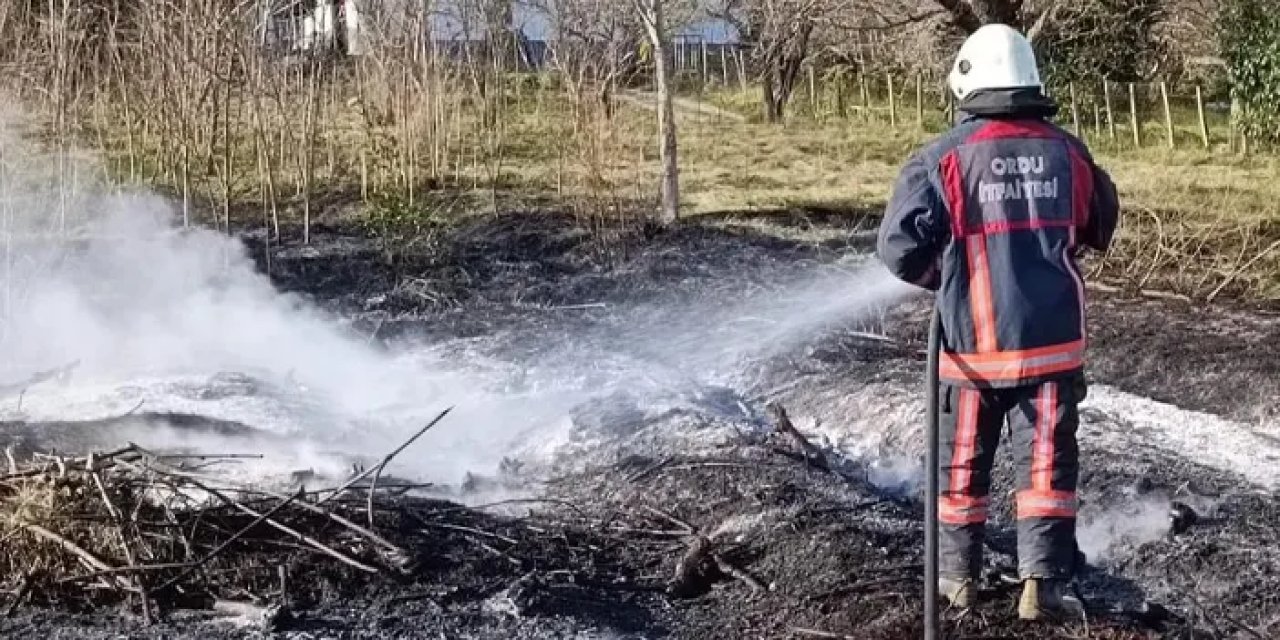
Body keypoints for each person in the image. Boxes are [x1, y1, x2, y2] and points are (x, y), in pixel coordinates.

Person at [876, 24, 1120, 621]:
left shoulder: (943, 159)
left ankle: (957, 580)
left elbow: (897, 245)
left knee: (960, 463)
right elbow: (1101, 222)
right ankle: (1042, 585)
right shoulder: (1069, 152)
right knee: (1045, 464)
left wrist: (949, 277)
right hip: (1053, 346)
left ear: (969, 87)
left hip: (972, 348)